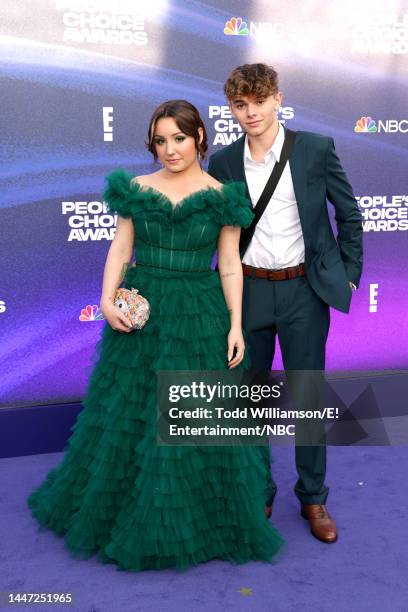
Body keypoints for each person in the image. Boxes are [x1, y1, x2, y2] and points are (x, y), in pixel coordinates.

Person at [27, 99, 287, 571]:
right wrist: (107, 300)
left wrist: (234, 325)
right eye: (161, 141)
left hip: (198, 312)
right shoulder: (136, 189)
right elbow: (121, 247)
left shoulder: (224, 196)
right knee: (131, 411)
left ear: (200, 139)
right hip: (142, 310)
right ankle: (123, 509)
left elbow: (229, 264)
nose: (170, 149)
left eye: (179, 138)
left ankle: (198, 519)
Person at [208, 64, 363, 544]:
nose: (250, 113)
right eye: (239, 105)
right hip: (248, 291)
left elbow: (349, 214)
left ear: (277, 99)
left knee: (308, 397)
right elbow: (216, 235)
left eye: (258, 101)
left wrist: (350, 278)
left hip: (303, 292)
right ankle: (259, 489)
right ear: (231, 108)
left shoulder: (315, 149)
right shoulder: (224, 163)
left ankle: (313, 496)